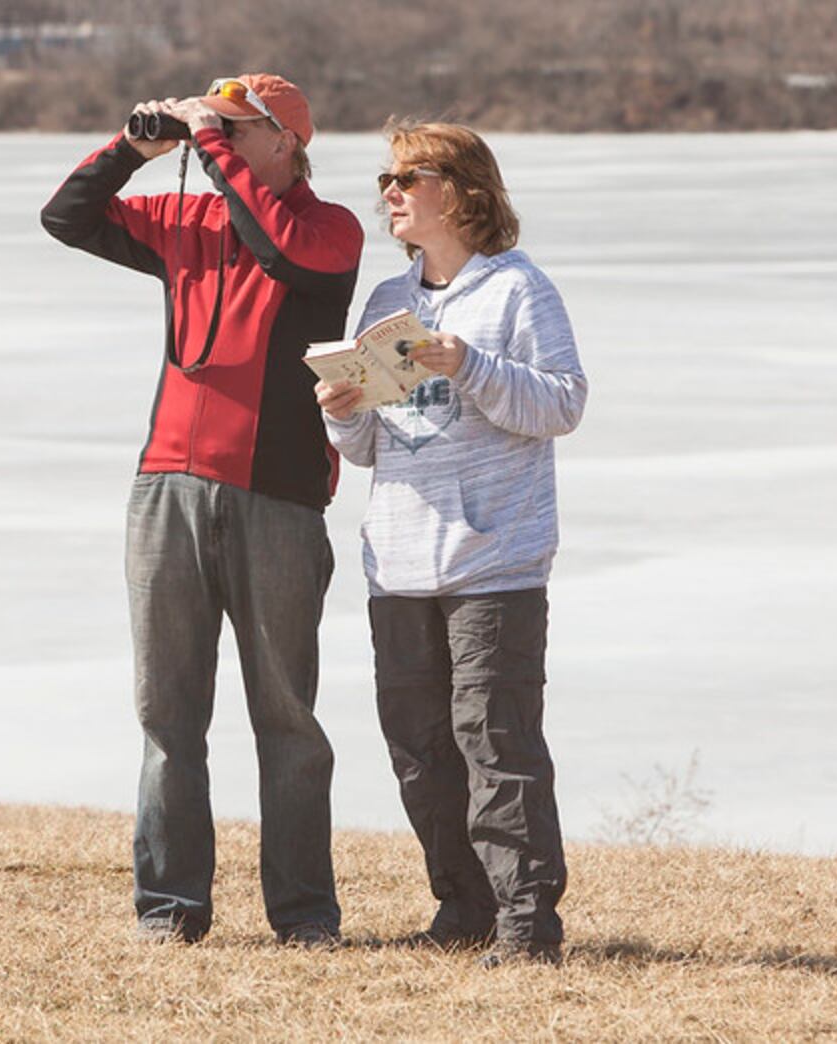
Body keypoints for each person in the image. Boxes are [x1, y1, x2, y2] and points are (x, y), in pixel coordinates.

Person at [40, 75, 364, 946]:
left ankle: (304, 917)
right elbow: (65, 218)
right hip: (165, 490)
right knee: (167, 716)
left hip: (280, 499)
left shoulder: (330, 229)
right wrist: (130, 150)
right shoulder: (188, 221)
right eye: (210, 125)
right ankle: (169, 911)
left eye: (234, 129)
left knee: (287, 719)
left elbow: (285, 255)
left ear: (287, 143)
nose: (212, 137)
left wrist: (210, 152)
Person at [317, 121, 587, 967]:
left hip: (492, 561)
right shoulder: (384, 304)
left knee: (494, 744)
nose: (390, 192)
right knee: (420, 751)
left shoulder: (517, 291)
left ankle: (526, 925)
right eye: (385, 178)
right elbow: (374, 449)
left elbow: (562, 405)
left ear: (462, 189)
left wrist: (467, 363)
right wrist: (344, 414)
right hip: (397, 561)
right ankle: (462, 909)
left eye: (408, 176)